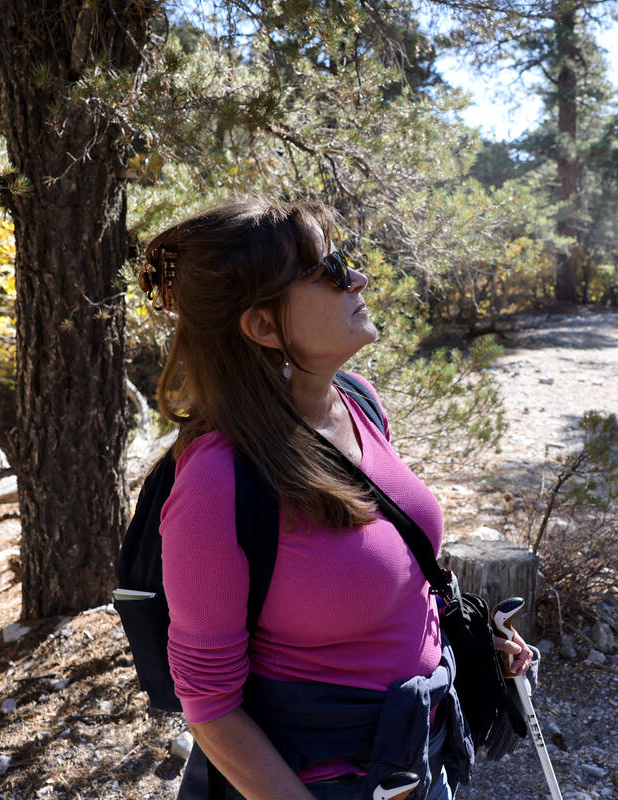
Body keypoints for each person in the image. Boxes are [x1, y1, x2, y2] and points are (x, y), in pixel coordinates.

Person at [140, 200, 532, 800]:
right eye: (330, 270)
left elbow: (391, 571)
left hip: (426, 753)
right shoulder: (217, 482)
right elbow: (210, 707)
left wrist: (470, 646)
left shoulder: (358, 401)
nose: (358, 278)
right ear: (264, 327)